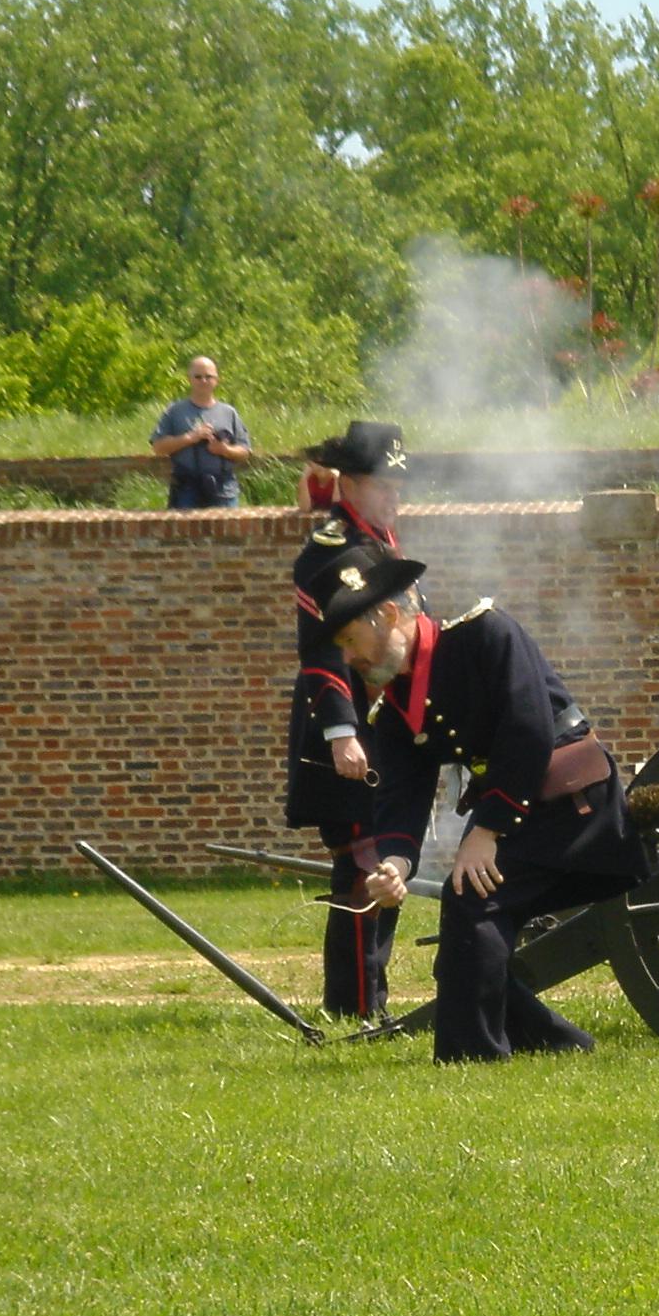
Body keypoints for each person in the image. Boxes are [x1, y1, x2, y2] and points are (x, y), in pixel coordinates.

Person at [343, 569, 648, 1061]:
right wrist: (395, 865)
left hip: (575, 804)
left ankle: (473, 1056)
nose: (347, 656)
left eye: (350, 638)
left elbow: (527, 730)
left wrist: (486, 829)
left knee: (472, 901)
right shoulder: (396, 706)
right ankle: (560, 1045)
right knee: (465, 935)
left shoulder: (486, 634)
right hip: (519, 813)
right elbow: (401, 796)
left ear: (388, 616)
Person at [288, 420, 410, 1018]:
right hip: (348, 730)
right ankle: (359, 1007)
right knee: (364, 866)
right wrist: (343, 732)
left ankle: (363, 1001)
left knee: (382, 859)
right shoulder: (331, 551)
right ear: (354, 484)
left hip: (386, 726)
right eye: (385, 485)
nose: (395, 496)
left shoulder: (380, 543)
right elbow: (323, 650)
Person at [150, 356, 251, 509]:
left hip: (224, 490)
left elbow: (245, 452)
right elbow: (158, 447)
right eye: (198, 377)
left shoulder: (229, 413)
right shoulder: (175, 411)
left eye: (208, 377)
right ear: (189, 379)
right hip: (186, 491)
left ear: (216, 380)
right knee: (184, 533)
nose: (203, 381)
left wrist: (224, 450)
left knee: (227, 533)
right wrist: (190, 437)